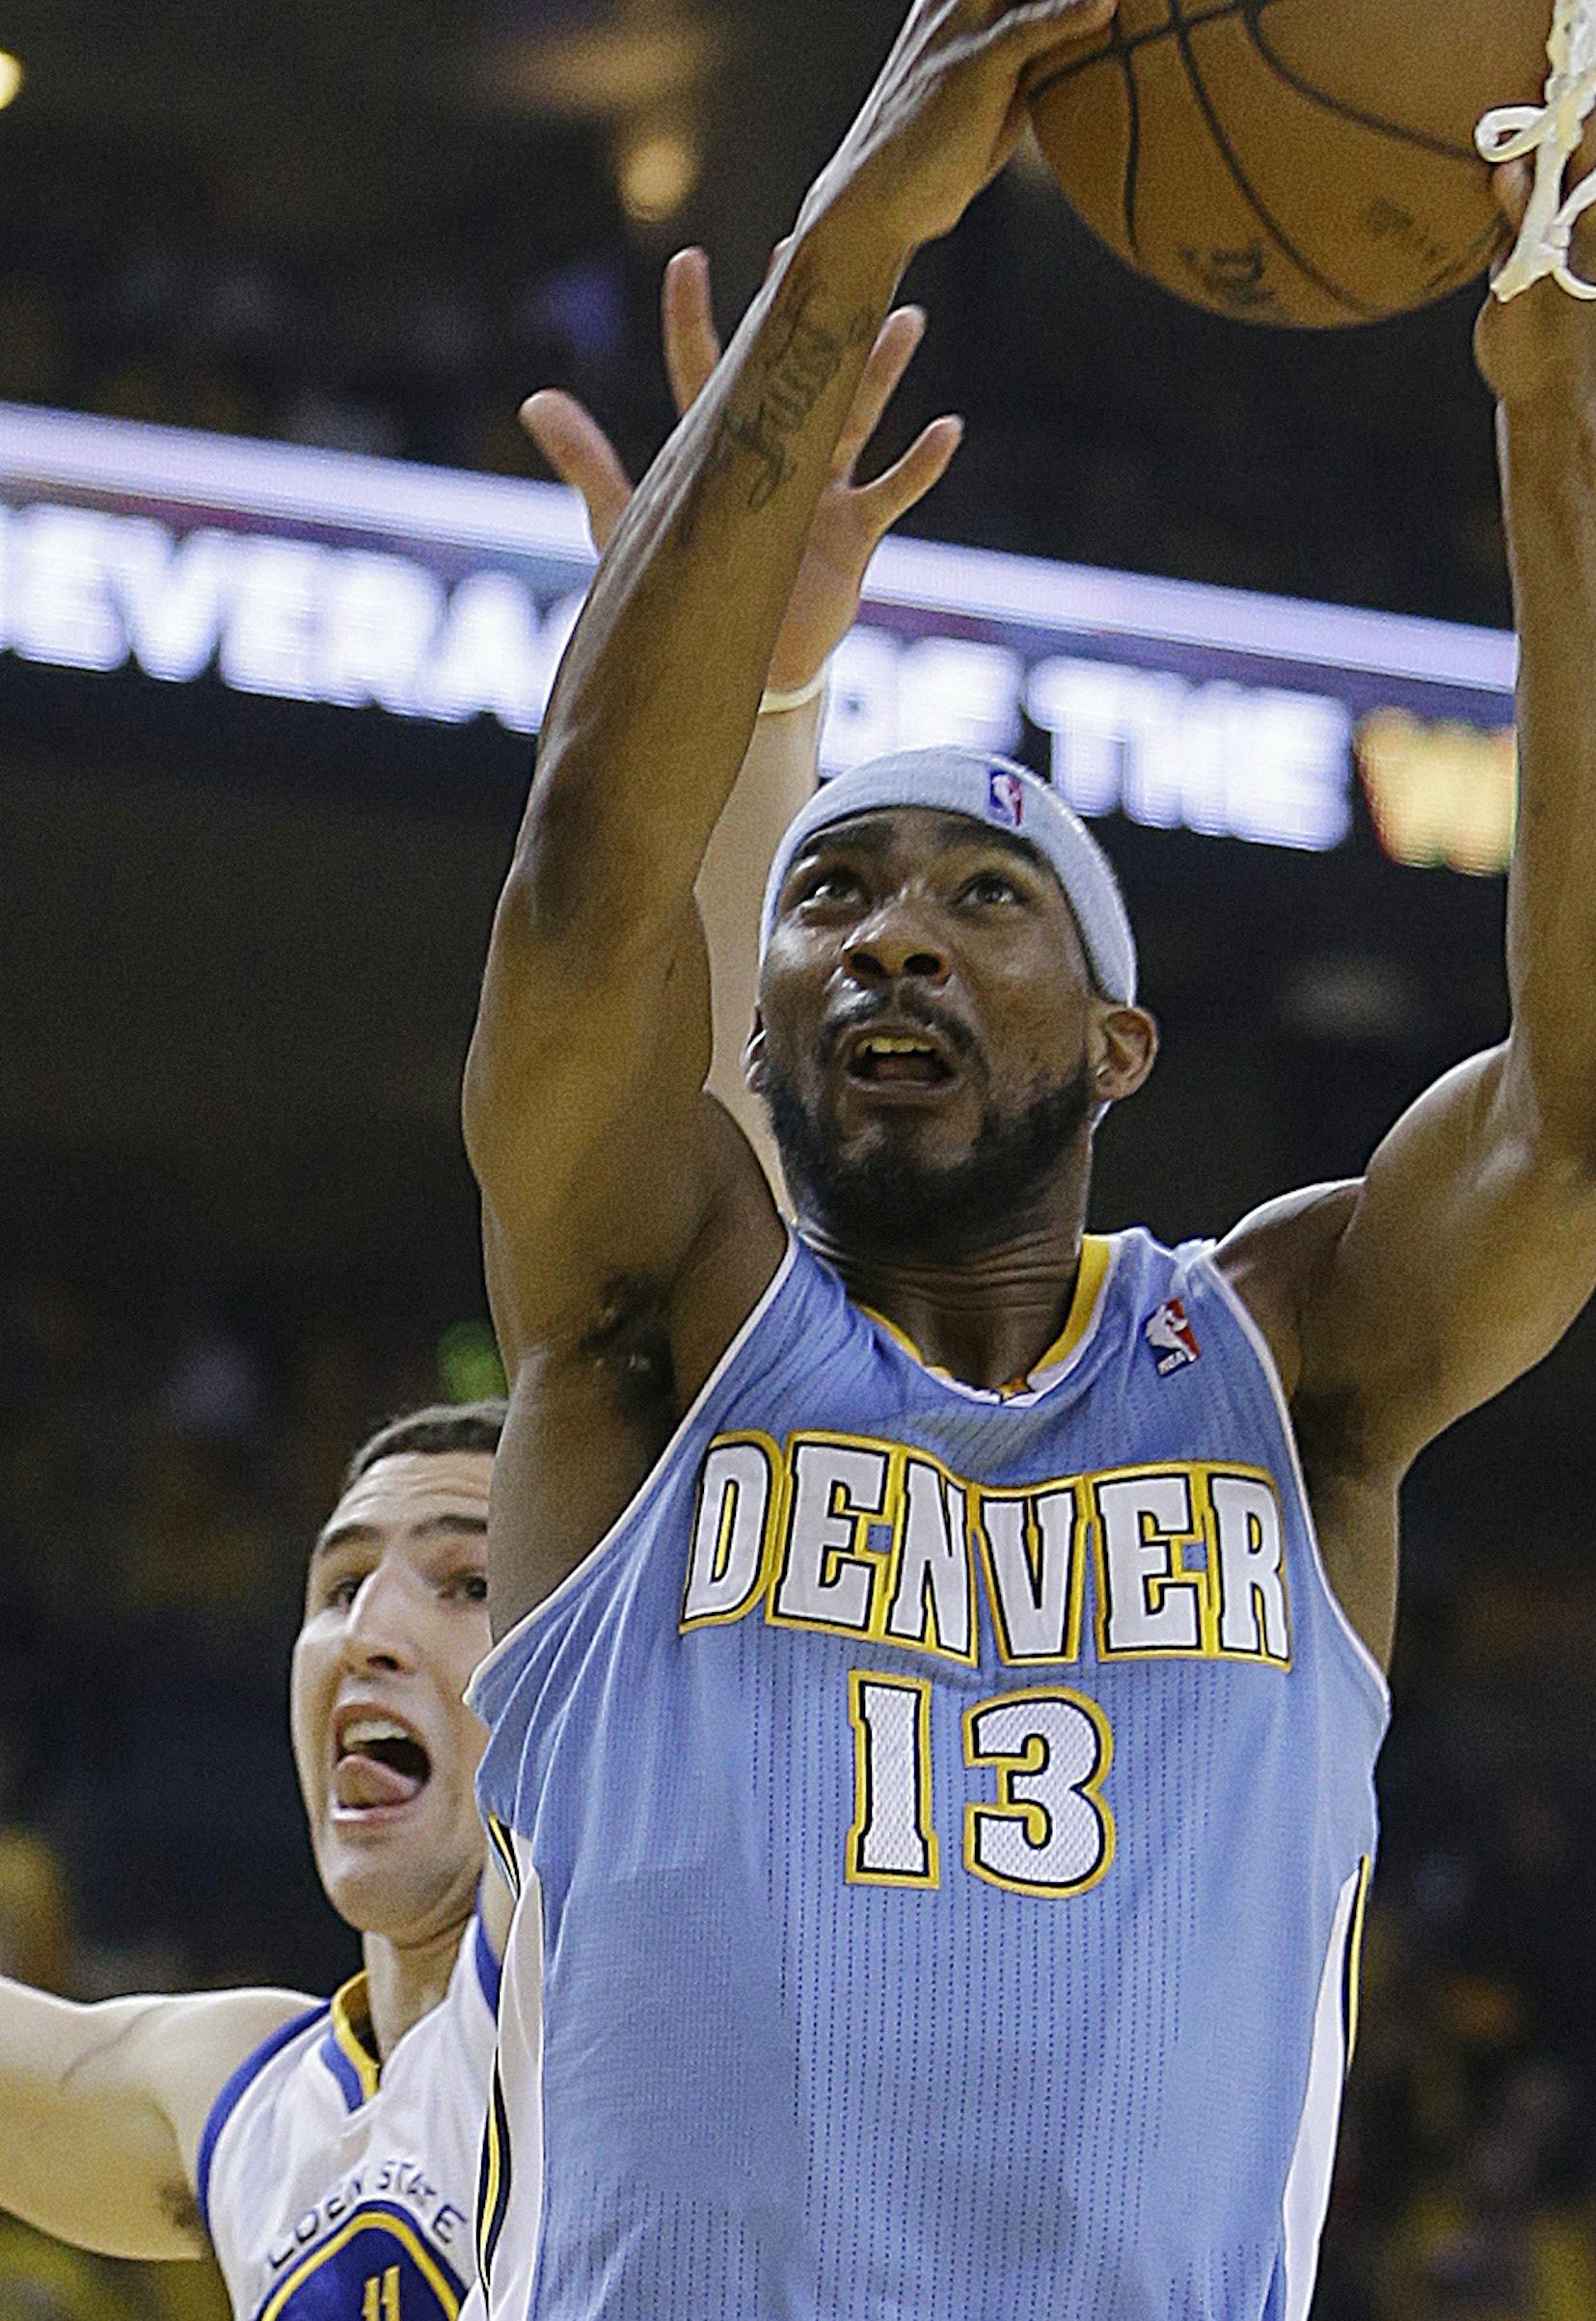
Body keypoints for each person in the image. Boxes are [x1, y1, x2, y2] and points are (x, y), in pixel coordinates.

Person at [462, 0, 1596, 2321]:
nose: (890, 939)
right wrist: (849, 252)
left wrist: (1555, 391)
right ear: (767, 1008)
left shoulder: (1283, 1363)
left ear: (1121, 1038)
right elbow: (591, 889)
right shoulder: (652, 1325)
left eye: (983, 903)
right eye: (828, 897)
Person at [0, 253, 950, 2320]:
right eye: (343, 1579)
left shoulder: (623, 1910)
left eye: (457, 1569)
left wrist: (749, 699)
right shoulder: (246, 2096)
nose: (368, 1624)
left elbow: (713, 1201)